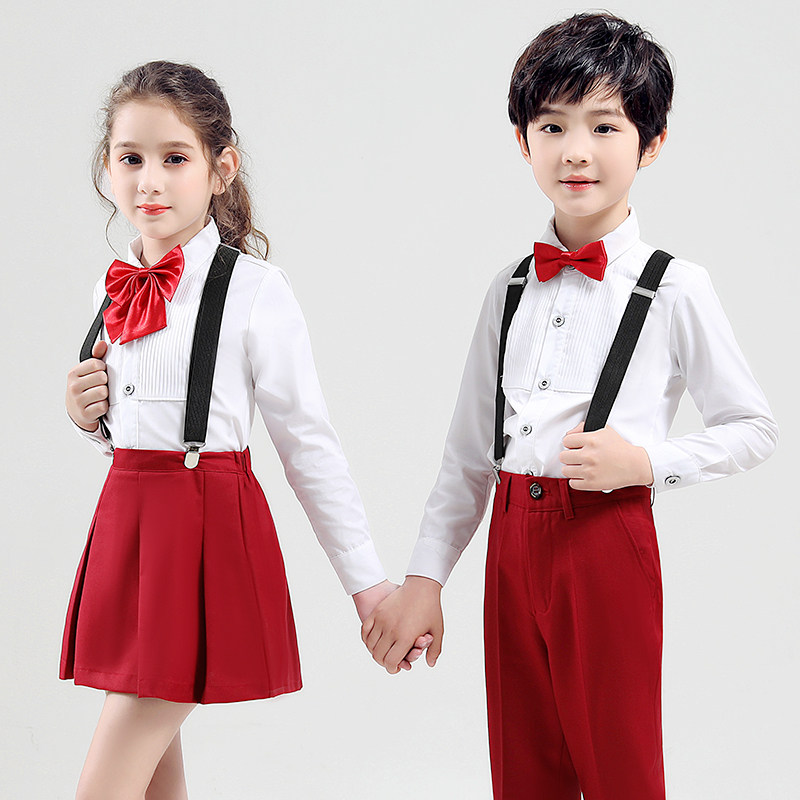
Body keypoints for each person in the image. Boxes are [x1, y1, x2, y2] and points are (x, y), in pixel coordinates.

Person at [361, 12, 778, 799]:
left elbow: (753, 428)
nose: (575, 150)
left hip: (605, 539)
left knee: (619, 766)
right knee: (523, 768)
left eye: (604, 126)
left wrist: (646, 462)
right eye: (552, 126)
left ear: (652, 143)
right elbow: (467, 455)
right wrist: (425, 579)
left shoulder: (675, 287)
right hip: (511, 542)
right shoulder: (510, 287)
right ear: (524, 142)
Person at [60, 60, 429, 800]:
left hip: (201, 528)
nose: (150, 181)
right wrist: (88, 416)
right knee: (152, 778)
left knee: (106, 784)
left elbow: (308, 446)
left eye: (175, 158)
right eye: (131, 159)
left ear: (220, 168)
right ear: (107, 168)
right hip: (128, 523)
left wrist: (367, 587)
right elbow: (137, 421)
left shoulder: (255, 290)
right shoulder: (113, 286)